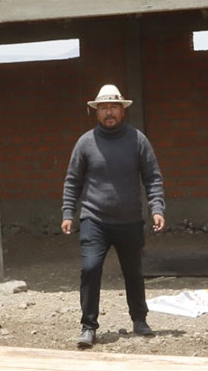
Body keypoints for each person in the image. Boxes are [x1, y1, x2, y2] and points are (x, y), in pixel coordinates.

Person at [61, 84, 166, 350]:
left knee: (133, 271)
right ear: (96, 112)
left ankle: (139, 320)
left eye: (114, 107)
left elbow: (152, 177)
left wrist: (157, 208)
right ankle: (88, 327)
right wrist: (68, 213)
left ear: (123, 111)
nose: (109, 112)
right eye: (104, 108)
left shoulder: (138, 140)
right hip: (94, 219)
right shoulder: (85, 143)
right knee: (91, 268)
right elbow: (72, 181)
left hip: (130, 220)